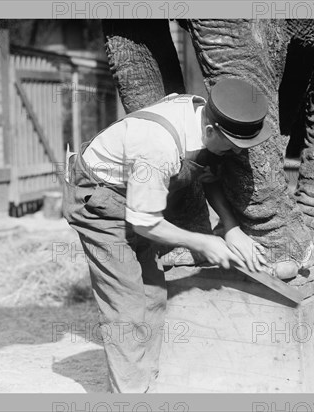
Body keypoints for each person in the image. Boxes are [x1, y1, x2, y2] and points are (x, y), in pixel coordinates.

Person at [62, 78, 273, 393]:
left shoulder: (201, 114)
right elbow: (146, 223)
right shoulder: (158, 148)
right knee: (127, 306)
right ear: (211, 132)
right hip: (99, 203)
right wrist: (203, 241)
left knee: (153, 296)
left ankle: (144, 381)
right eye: (231, 144)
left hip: (132, 197)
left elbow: (208, 169)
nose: (233, 152)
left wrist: (230, 227)